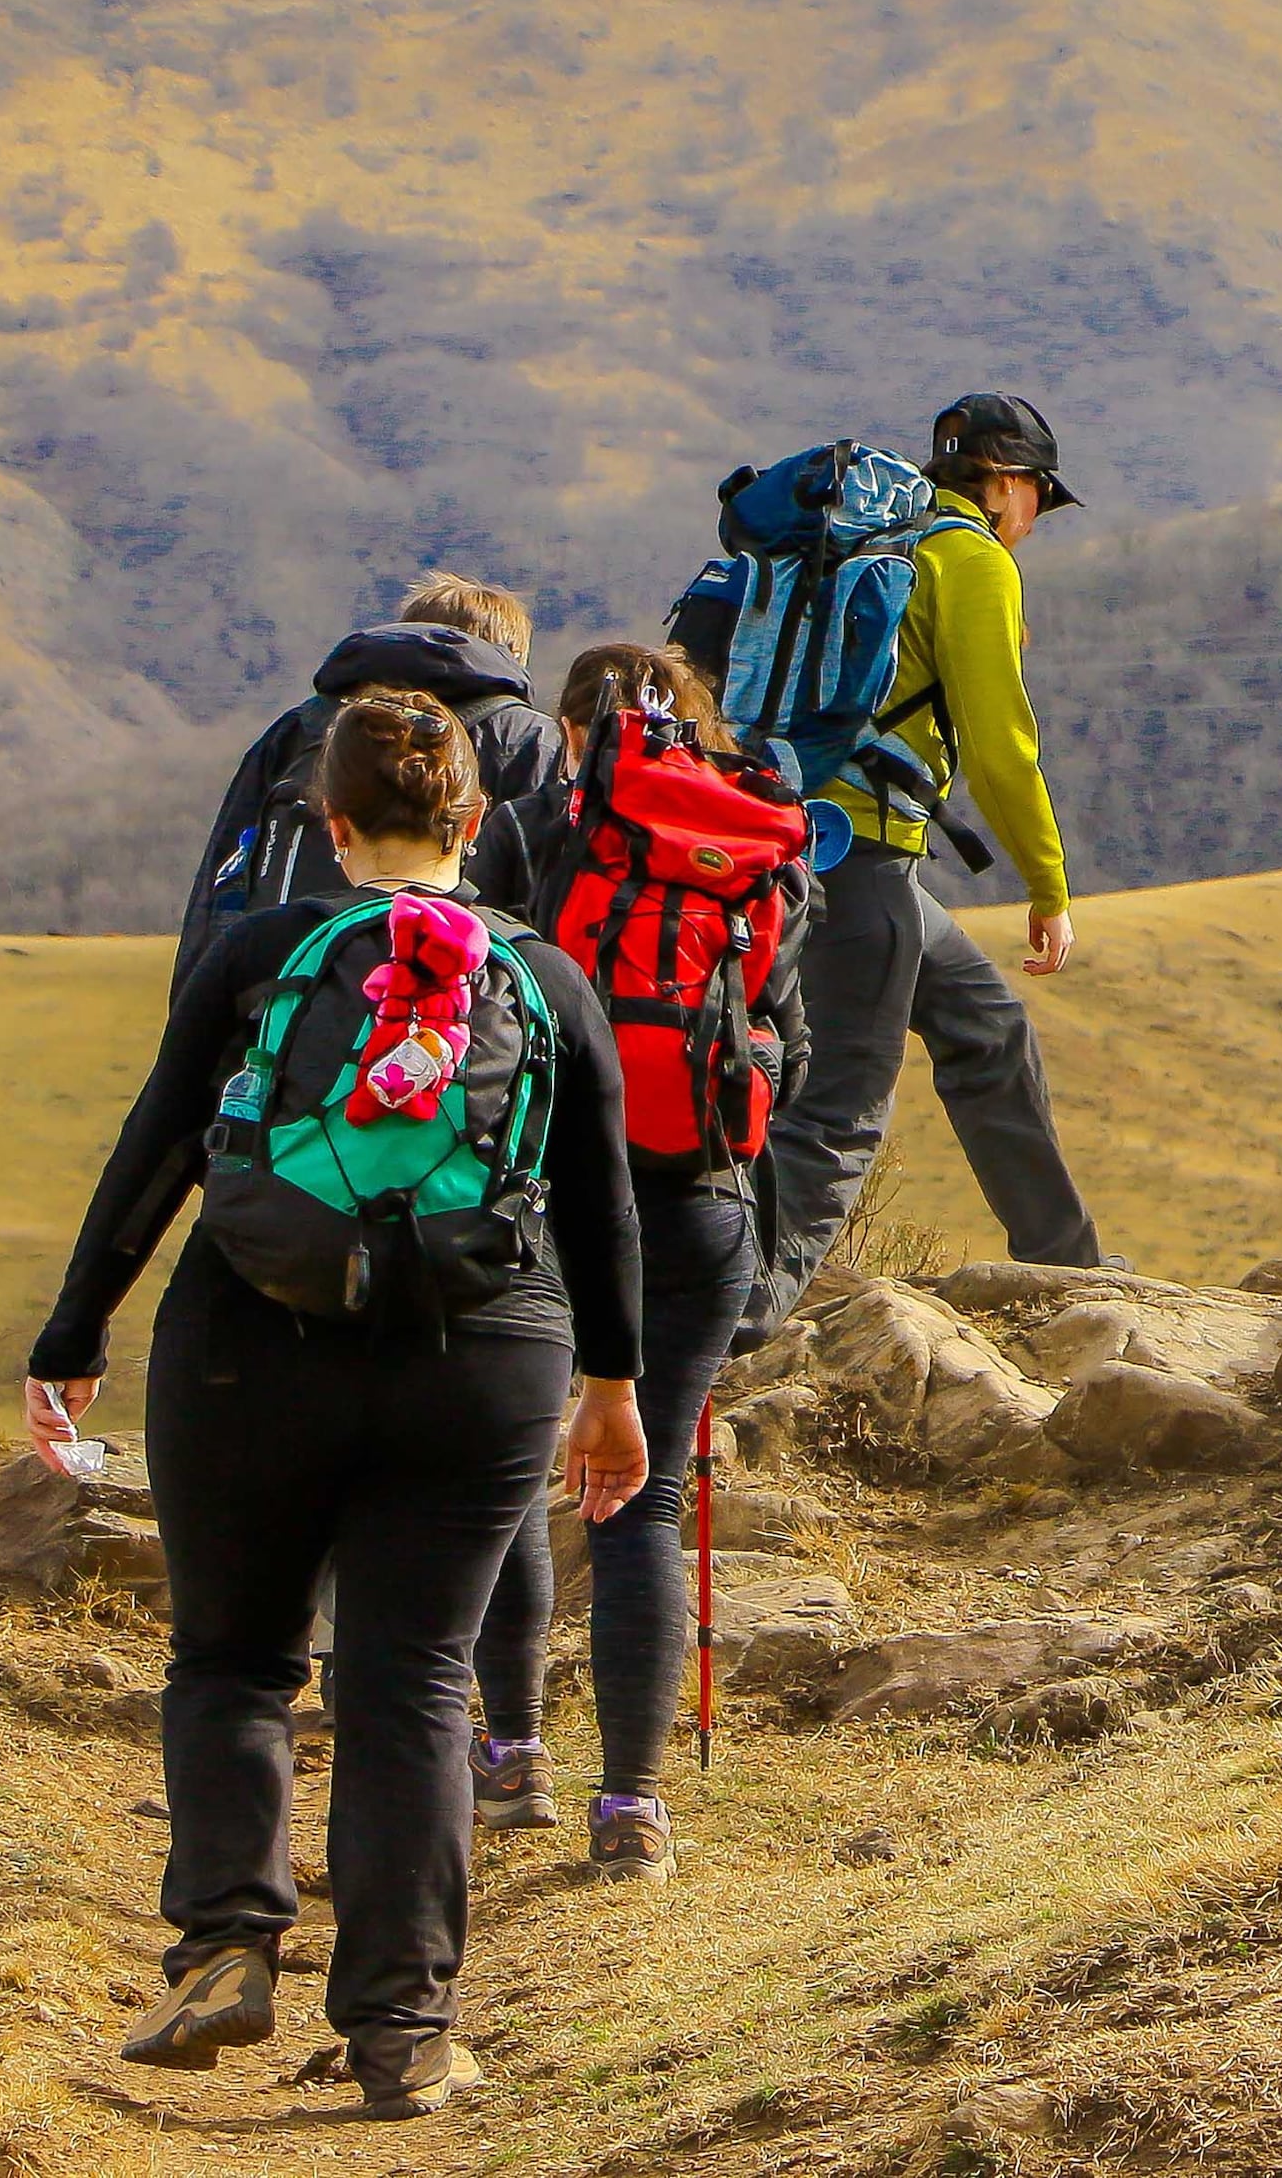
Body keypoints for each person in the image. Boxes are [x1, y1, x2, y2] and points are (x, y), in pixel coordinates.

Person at [30, 686, 646, 2122]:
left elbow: (159, 1144)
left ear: (329, 819)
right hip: (482, 1357)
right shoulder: (546, 979)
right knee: (415, 1683)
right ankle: (403, 2031)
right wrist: (612, 1385)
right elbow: (605, 1202)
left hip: (250, 1343)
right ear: (477, 819)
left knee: (236, 1660)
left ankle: (224, 1948)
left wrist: (75, 1329)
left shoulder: (259, 952)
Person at [461, 644, 793, 1879]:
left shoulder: (541, 830)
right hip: (702, 1211)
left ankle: (511, 1756)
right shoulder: (754, 850)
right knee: (643, 1493)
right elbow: (785, 1049)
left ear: (568, 728)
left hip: (544, 1206)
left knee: (515, 1476)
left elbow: (476, 1015)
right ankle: (634, 1808)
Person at [755, 391, 1104, 1328]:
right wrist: (1047, 886)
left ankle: (1072, 1274)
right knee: (836, 1116)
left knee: (986, 1029)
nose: (1036, 518)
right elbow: (1001, 745)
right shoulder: (968, 559)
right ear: (1006, 483)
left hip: (795, 841)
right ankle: (730, 1324)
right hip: (859, 857)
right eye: (1038, 494)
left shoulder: (871, 544)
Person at [175, 573, 565, 985]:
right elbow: (550, 895)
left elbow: (221, 887)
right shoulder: (527, 740)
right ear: (512, 656)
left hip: (286, 1008)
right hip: (459, 1015)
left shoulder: (299, 730)